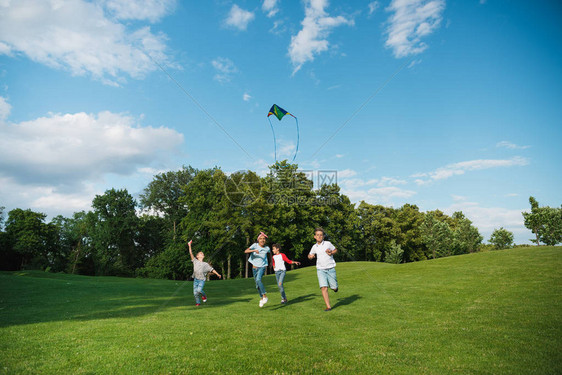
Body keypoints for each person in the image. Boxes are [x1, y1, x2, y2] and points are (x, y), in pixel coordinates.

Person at [308, 227, 338, 311]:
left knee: (334, 287)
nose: (319, 236)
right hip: (320, 269)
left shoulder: (328, 244)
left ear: (323, 236)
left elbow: (335, 250)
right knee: (323, 287)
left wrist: (331, 252)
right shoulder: (314, 247)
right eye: (317, 235)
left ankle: (335, 288)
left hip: (330, 268)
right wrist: (310, 256)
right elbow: (310, 255)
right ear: (315, 237)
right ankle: (328, 306)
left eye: (321, 235)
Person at [188, 240, 222, 306]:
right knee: (195, 293)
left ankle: (204, 295)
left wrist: (218, 274)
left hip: (201, 280)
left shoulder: (205, 264)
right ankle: (198, 303)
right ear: (197, 256)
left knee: (199, 290)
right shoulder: (195, 261)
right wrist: (189, 245)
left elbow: (212, 269)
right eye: (200, 253)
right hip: (195, 279)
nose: (202, 253)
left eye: (202, 253)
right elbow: (191, 253)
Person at [244, 232, 271, 307]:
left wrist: (273, 264)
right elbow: (246, 251)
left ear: (265, 240)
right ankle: (261, 298)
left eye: (264, 239)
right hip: (254, 268)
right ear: (258, 240)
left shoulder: (267, 248)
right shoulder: (254, 245)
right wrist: (253, 250)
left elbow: (270, 255)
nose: (262, 240)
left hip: (262, 267)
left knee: (259, 280)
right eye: (261, 239)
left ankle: (265, 296)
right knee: (257, 285)